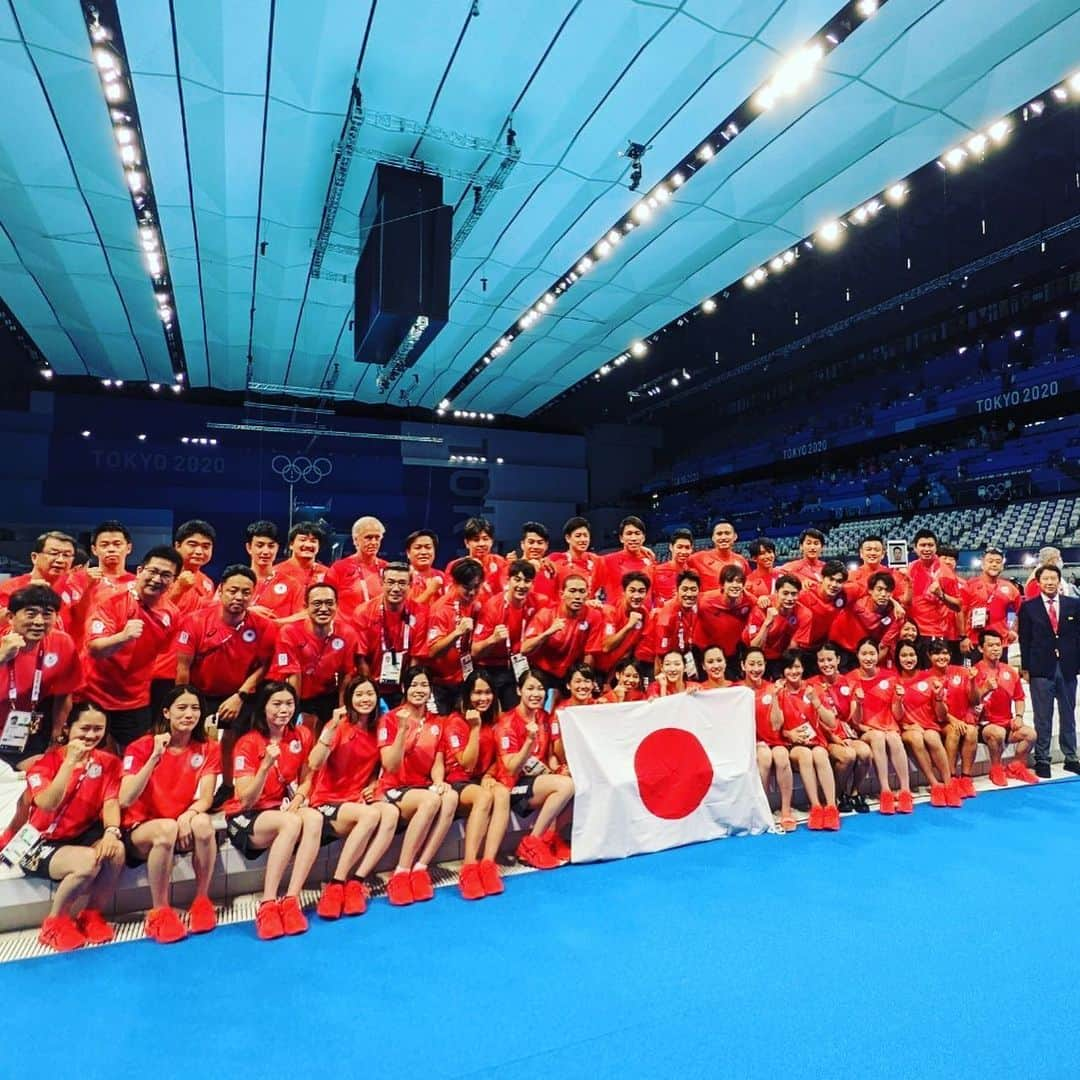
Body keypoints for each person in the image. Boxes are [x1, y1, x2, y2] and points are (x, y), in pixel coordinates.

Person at [6, 702, 124, 952]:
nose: (91, 735)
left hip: (78, 835)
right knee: (87, 862)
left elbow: (111, 802)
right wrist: (70, 762)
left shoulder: (110, 763)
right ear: (68, 729)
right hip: (39, 842)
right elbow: (48, 803)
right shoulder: (43, 764)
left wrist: (112, 832)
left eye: (98, 729)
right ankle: (55, 923)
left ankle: (91, 915)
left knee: (117, 851)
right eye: (85, 728)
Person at [220, 681, 322, 940]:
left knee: (313, 818)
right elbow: (245, 800)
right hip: (245, 816)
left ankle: (291, 900)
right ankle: (267, 904)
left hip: (281, 808)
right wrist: (265, 766)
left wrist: (298, 801)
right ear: (263, 707)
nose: (283, 710)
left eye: (289, 704)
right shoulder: (248, 743)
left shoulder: (301, 735)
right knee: (290, 824)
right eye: (276, 704)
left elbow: (307, 777)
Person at [119, 686, 220, 942]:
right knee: (166, 829)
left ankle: (201, 900)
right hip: (142, 828)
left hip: (178, 823)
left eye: (195, 708)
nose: (189, 714)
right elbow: (126, 798)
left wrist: (189, 814)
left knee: (204, 824)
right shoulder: (140, 746)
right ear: (166, 712)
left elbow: (207, 797)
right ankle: (159, 911)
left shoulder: (207, 747)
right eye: (182, 708)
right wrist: (154, 757)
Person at [306, 677, 400, 919]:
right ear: (349, 700)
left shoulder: (378, 727)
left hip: (355, 800)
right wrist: (330, 730)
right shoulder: (339, 726)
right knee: (370, 815)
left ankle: (356, 881)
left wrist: (374, 784)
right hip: (327, 801)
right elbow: (314, 763)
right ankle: (337, 884)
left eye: (370, 694)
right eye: (359, 694)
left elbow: (384, 766)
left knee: (391, 813)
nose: (365, 699)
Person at [83, 546, 183, 749]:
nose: (157, 579)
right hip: (95, 694)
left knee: (138, 759)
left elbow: (161, 650)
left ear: (173, 581)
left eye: (165, 575)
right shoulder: (110, 601)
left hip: (135, 700)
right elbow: (95, 648)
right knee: (91, 760)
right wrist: (122, 637)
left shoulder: (171, 614)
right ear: (139, 571)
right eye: (152, 571)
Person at [376, 667, 460, 906]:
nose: (419, 690)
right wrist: (403, 730)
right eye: (414, 685)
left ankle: (421, 868)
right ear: (404, 689)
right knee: (431, 800)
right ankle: (401, 873)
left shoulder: (437, 722)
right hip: (393, 788)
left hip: (421, 787)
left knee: (450, 797)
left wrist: (439, 782)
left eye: (424, 685)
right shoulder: (390, 718)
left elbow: (438, 761)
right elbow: (389, 765)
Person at [174, 564, 277, 739]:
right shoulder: (195, 621)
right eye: (233, 590)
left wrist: (240, 695)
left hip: (236, 696)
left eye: (246, 592)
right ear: (221, 590)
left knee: (228, 744)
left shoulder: (264, 626)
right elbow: (183, 667)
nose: (239, 597)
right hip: (199, 696)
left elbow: (265, 665)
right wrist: (185, 703)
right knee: (198, 743)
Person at [438, 671, 510, 899]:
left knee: (503, 794)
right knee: (483, 797)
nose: (483, 698)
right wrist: (475, 729)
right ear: (467, 695)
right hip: (458, 780)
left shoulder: (496, 720)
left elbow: (499, 757)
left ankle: (488, 864)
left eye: (488, 692)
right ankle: (469, 867)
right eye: (477, 692)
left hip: (480, 780)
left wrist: (490, 775)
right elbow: (466, 765)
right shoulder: (456, 722)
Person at [493, 669, 575, 869]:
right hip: (514, 785)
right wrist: (529, 741)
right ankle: (531, 844)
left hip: (538, 780)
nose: (536, 693)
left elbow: (549, 758)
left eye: (540, 689)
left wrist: (559, 768)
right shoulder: (507, 723)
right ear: (519, 691)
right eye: (530, 688)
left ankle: (550, 838)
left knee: (579, 780)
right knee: (566, 787)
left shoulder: (544, 717)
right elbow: (511, 768)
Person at [0, 585, 82, 775]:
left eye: (47, 614)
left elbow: (64, 694)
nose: (39, 621)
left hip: (24, 729)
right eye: (31, 614)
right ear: (11, 617)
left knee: (42, 777)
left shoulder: (62, 643)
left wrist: (56, 734)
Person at [1019, 563, 1080, 779]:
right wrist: (1025, 667)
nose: (1050, 582)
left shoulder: (1074, 604)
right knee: (1043, 716)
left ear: (1059, 580)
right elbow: (1024, 639)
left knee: (1068, 714)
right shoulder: (1029, 607)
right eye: (1045, 579)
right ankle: (1042, 759)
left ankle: (1071, 757)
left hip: (1068, 667)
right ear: (1038, 582)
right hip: (1040, 668)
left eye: (1053, 578)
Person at [269, 583, 359, 728]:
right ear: (306, 606)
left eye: (329, 603)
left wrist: (343, 710)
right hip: (292, 694)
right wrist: (292, 712)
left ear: (337, 605)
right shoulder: (289, 632)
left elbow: (346, 674)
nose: (323, 609)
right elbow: (293, 677)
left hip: (325, 694)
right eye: (317, 603)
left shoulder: (347, 634)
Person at [775, 652, 840, 830]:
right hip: (793, 745)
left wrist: (816, 703)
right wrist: (790, 735)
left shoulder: (814, 689)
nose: (793, 671)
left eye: (797, 667)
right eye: (789, 667)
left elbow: (831, 722)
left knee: (819, 754)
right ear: (783, 671)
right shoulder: (779, 693)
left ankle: (831, 806)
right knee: (805, 754)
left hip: (816, 741)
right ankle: (816, 806)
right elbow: (776, 727)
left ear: (803, 668)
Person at [848, 638, 913, 814]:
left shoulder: (890, 677)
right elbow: (855, 720)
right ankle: (885, 791)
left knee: (893, 737)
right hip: (866, 730)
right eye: (864, 654)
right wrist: (859, 704)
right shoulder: (851, 679)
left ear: (878, 655)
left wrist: (899, 700)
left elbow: (898, 715)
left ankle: (905, 791)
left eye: (872, 653)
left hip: (890, 727)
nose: (868, 658)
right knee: (878, 737)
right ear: (857, 655)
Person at [894, 642, 960, 807]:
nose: (908, 659)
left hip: (929, 725)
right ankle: (934, 784)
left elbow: (941, 714)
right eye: (904, 655)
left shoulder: (930, 679)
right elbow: (895, 714)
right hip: (908, 727)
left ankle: (948, 784)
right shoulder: (894, 681)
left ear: (918, 657)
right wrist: (906, 723)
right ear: (897, 658)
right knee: (916, 738)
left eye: (912, 655)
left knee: (931, 736)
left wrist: (938, 698)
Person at [353, 562, 427, 709]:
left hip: (403, 686)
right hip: (371, 685)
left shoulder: (421, 613)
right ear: (381, 582)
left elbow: (416, 658)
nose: (395, 588)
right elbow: (361, 659)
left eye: (402, 583)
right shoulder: (363, 613)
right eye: (390, 582)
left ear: (410, 585)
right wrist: (371, 691)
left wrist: (407, 693)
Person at [472, 558, 543, 709]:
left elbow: (561, 607)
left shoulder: (537, 601)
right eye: (517, 580)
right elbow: (474, 651)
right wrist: (492, 640)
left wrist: (591, 603)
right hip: (489, 668)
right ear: (508, 580)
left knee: (517, 710)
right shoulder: (492, 607)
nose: (522, 585)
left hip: (518, 667)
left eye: (527, 581)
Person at [809, 641, 870, 813]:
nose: (826, 664)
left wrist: (858, 704)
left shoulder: (849, 682)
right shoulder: (811, 685)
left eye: (830, 659)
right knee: (848, 756)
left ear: (838, 660)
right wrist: (832, 737)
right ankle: (839, 793)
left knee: (865, 753)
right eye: (822, 660)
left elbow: (854, 719)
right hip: (825, 737)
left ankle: (854, 792)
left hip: (847, 733)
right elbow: (814, 718)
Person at [973, 629, 1038, 785]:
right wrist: (985, 689)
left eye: (998, 645)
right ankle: (995, 769)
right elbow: (971, 701)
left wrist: (1019, 716)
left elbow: (1019, 698)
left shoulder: (1009, 671)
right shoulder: (974, 672)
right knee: (997, 732)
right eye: (990, 645)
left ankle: (1016, 767)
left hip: (1006, 723)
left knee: (1030, 734)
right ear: (981, 648)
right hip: (984, 725)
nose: (996, 648)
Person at [521, 573, 603, 693]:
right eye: (572, 591)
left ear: (588, 594)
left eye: (581, 591)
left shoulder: (594, 616)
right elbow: (524, 649)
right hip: (543, 671)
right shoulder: (546, 614)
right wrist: (548, 633)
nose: (577, 596)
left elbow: (589, 653)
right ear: (562, 594)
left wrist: (586, 679)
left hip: (570, 672)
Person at [743, 647, 795, 831]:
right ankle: (762, 809)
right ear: (743, 665)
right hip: (752, 743)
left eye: (759, 664)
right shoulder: (736, 690)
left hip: (775, 740)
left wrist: (773, 696)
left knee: (781, 757)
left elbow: (776, 725)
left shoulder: (772, 689)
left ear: (765, 665)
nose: (755, 668)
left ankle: (786, 810)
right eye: (751, 664)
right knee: (764, 757)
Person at [423, 557, 485, 714]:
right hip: (440, 684)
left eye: (476, 587)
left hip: (464, 679)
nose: (471, 592)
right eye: (466, 587)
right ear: (455, 583)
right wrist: (457, 633)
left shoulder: (476, 605)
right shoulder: (441, 609)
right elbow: (433, 651)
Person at [926, 639, 979, 797]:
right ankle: (951, 777)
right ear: (929, 656)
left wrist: (973, 681)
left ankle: (966, 777)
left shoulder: (962, 672)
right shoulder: (926, 678)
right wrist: (953, 720)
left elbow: (975, 701)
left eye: (944, 653)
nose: (941, 657)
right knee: (954, 732)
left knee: (972, 732)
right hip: (938, 722)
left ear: (950, 655)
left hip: (963, 719)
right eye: (936, 654)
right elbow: (936, 711)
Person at [0, 531, 77, 633]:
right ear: (34, 557)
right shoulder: (10, 587)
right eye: (54, 553)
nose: (60, 560)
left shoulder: (73, 588)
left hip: (62, 647)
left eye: (67, 555)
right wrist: (27, 596)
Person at [830, 571, 904, 669]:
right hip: (839, 647)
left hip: (863, 654)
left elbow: (883, 646)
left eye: (887, 591)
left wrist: (868, 667)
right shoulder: (857, 601)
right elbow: (835, 589)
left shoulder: (896, 614)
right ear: (870, 590)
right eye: (879, 589)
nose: (883, 594)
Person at [908, 529, 962, 659]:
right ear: (915, 548)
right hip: (912, 632)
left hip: (935, 632)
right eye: (922, 545)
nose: (926, 549)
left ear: (936, 548)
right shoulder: (911, 568)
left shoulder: (946, 573)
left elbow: (958, 605)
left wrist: (941, 595)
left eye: (930, 545)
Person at [961, 546, 1021, 657]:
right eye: (990, 561)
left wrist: (1011, 628)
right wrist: (964, 637)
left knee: (999, 673)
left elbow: (1012, 612)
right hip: (974, 641)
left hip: (1000, 642)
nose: (994, 564)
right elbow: (961, 613)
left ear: (1002, 566)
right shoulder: (969, 585)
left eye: (998, 562)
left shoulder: (1011, 589)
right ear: (982, 564)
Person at [325, 516, 387, 619]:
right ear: (355, 540)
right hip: (348, 631)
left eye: (377, 538)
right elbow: (326, 601)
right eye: (368, 537)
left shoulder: (387, 568)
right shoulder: (339, 568)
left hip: (378, 630)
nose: (374, 542)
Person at [596, 571, 653, 684]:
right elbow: (607, 647)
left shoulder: (644, 614)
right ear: (624, 591)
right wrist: (629, 626)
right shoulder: (610, 611)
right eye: (632, 591)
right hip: (598, 670)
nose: (636, 596)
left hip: (617, 672)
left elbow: (633, 649)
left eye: (641, 591)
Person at [695, 565, 752, 675]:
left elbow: (765, 605)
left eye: (739, 582)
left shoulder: (749, 601)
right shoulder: (704, 601)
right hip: (704, 653)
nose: (735, 586)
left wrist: (764, 599)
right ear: (721, 585)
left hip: (731, 654)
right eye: (730, 581)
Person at [245, 520, 305, 624]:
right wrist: (246, 611)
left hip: (278, 639)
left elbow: (304, 615)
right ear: (249, 548)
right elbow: (217, 609)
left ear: (277, 548)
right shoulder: (234, 580)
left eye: (271, 546)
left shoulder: (292, 584)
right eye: (260, 545)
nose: (266, 551)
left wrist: (275, 624)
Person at [743, 574, 801, 677]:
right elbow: (754, 647)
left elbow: (793, 648)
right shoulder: (761, 608)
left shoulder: (804, 613)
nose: (790, 598)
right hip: (757, 658)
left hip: (781, 659)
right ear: (777, 593)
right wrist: (767, 623)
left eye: (794, 594)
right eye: (785, 593)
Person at [447, 517, 507, 601]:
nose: (481, 544)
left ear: (492, 541)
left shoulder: (500, 562)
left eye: (485, 539)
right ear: (467, 543)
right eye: (476, 540)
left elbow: (506, 593)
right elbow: (450, 596)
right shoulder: (455, 566)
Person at [599, 516, 654, 602]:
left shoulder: (650, 560)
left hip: (645, 614)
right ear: (621, 538)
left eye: (637, 533)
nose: (633, 538)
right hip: (616, 614)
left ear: (643, 538)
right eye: (629, 533)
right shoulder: (608, 560)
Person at [687, 519, 750, 591]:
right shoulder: (699, 558)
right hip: (708, 602)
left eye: (727, 533)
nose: (723, 537)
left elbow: (749, 584)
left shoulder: (741, 560)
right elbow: (678, 568)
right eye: (719, 534)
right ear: (713, 538)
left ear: (735, 536)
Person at [548, 516, 603, 597]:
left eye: (586, 535)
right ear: (568, 538)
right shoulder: (555, 560)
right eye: (578, 536)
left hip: (590, 607)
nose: (583, 539)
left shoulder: (597, 561)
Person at [275, 521, 330, 593]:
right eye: (303, 540)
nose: (308, 545)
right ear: (291, 545)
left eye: (313, 541)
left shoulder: (328, 574)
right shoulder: (276, 573)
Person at [518, 521, 560, 606]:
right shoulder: (511, 569)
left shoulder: (551, 569)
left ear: (546, 545)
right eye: (531, 542)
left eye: (540, 543)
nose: (535, 547)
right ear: (522, 544)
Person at [652, 529, 694, 605]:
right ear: (671, 547)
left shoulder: (694, 573)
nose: (683, 552)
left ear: (691, 549)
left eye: (687, 548)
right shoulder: (656, 571)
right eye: (679, 547)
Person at [404, 529, 446, 604]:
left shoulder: (441, 576)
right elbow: (405, 609)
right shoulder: (402, 576)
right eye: (418, 547)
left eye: (428, 547)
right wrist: (429, 591)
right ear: (408, 553)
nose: (423, 552)